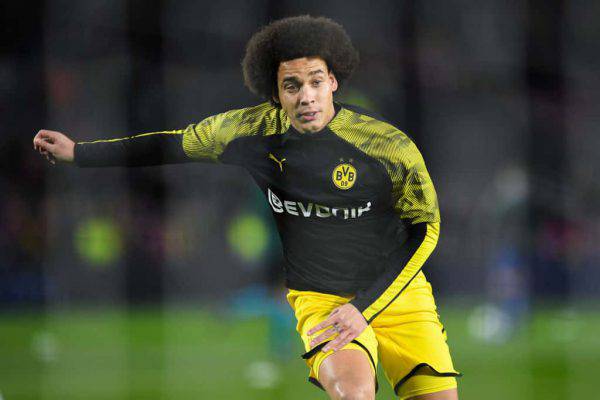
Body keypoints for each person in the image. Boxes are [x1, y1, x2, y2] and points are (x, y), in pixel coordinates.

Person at [33, 15, 460, 400]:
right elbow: (171, 144)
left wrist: (363, 307)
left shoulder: (386, 145)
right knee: (353, 394)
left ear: (333, 81)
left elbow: (426, 228)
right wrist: (80, 152)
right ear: (275, 93)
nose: (306, 96)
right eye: (292, 86)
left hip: (397, 293)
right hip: (322, 298)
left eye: (316, 81)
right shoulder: (251, 132)